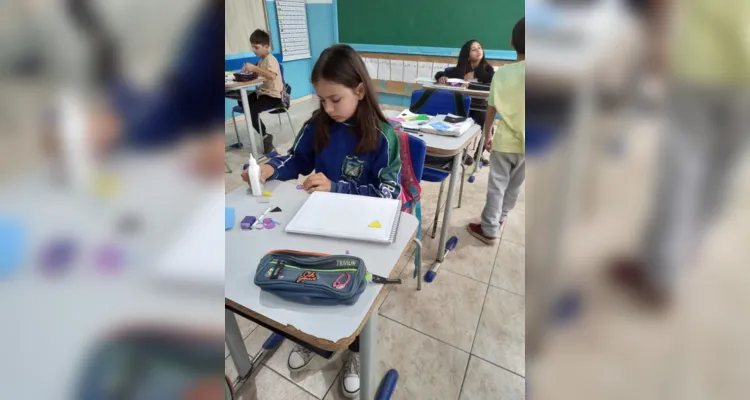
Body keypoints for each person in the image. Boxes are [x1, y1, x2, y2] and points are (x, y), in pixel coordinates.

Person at [241, 44, 402, 398]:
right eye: (321, 100)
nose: (327, 108)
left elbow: (390, 198)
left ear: (359, 90)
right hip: (320, 223)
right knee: (314, 277)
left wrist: (338, 187)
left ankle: (356, 352)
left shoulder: (383, 137)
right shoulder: (320, 124)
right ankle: (316, 340)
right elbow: (296, 159)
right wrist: (270, 167)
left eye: (335, 99)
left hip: (361, 231)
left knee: (352, 288)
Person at [609, 0, 750, 307]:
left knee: (682, 169)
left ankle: (661, 272)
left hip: (702, 59)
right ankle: (682, 252)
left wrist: (658, 39)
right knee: (722, 171)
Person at [467, 18, 525, 245]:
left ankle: (489, 228)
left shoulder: (502, 74)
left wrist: (488, 134)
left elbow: (490, 110)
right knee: (515, 186)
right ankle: (499, 219)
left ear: (512, 42)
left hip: (505, 142)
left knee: (497, 185)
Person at [227, 29, 284, 154]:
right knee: (243, 100)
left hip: (272, 97)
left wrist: (254, 68)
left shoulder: (271, 59)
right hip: (262, 94)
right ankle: (250, 111)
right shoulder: (262, 60)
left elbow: (271, 76)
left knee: (251, 110)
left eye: (256, 47)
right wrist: (247, 70)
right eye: (252, 47)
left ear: (266, 46)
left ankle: (265, 136)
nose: (254, 50)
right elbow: (256, 71)